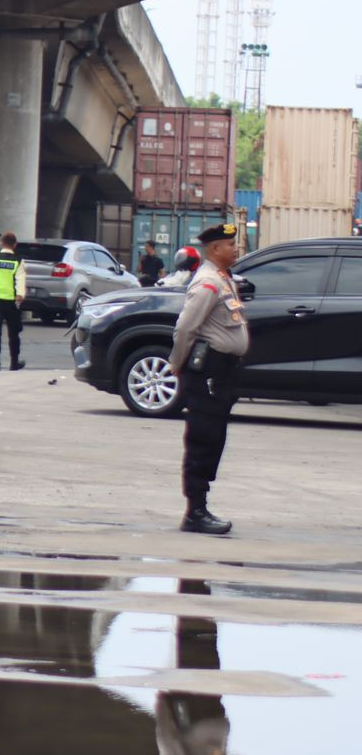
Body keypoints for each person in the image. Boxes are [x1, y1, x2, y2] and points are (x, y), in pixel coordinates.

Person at [167, 223, 248, 536]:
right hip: (208, 370)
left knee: (214, 436)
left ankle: (201, 506)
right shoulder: (208, 283)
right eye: (230, 244)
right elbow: (186, 328)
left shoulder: (223, 279)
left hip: (223, 370)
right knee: (203, 436)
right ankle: (194, 512)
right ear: (215, 249)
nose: (235, 249)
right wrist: (177, 362)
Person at [0, 231, 26, 370]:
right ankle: (14, 362)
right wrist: (20, 296)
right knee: (14, 332)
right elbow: (20, 279)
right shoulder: (18, 261)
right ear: (15, 245)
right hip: (11, 301)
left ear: (1, 243)